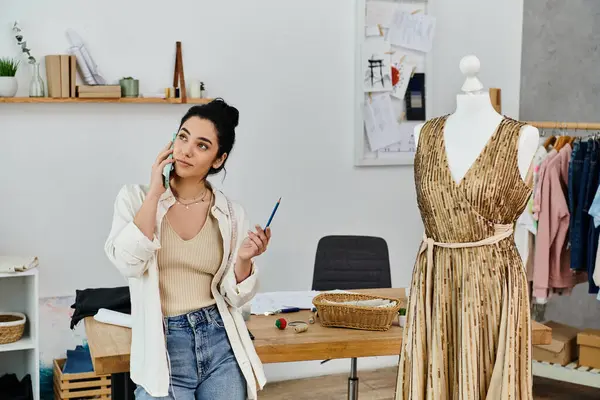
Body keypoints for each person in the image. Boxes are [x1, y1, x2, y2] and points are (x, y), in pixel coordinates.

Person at [104, 98, 269, 400]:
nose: (185, 150)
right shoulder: (135, 198)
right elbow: (128, 263)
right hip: (164, 345)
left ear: (219, 159)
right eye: (182, 136)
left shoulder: (231, 213)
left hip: (220, 342)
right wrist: (155, 193)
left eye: (202, 145)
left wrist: (244, 260)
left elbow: (235, 297)